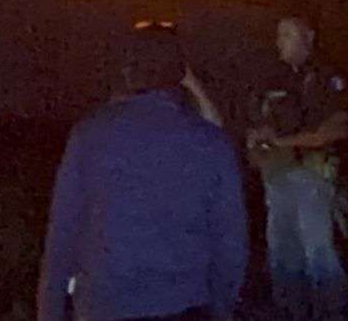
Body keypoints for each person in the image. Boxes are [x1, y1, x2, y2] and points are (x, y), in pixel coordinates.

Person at [38, 24, 249, 321]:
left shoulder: (90, 135)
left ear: (128, 72)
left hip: (105, 304)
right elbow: (231, 239)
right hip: (184, 303)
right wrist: (222, 306)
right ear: (180, 77)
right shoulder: (211, 143)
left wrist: (50, 309)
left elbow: (63, 229)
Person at [246, 16, 348, 319]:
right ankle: (290, 312)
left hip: (312, 175)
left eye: (287, 35)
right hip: (277, 176)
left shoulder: (327, 76)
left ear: (308, 37)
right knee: (282, 253)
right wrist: (259, 139)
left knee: (318, 251)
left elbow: (336, 129)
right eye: (279, 35)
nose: (279, 42)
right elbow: (263, 123)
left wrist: (284, 142)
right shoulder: (273, 79)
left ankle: (329, 313)